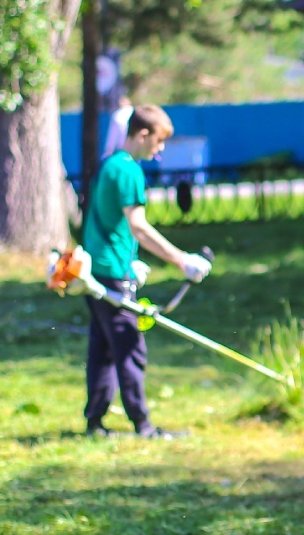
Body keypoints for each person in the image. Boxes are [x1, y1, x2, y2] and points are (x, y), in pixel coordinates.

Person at [83, 104, 212, 439]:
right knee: (129, 347)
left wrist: (130, 260)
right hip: (112, 272)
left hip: (97, 268)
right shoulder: (128, 170)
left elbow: (103, 220)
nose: (161, 148)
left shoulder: (108, 165)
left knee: (102, 347)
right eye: (158, 140)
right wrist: (182, 260)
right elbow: (138, 226)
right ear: (142, 134)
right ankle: (144, 426)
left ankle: (95, 423)